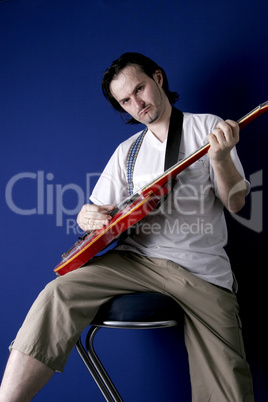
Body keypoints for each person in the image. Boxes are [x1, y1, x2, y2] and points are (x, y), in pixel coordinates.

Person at [0, 52, 254, 401]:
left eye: (140, 88)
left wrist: (221, 158)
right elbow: (92, 212)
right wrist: (87, 216)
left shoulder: (207, 127)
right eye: (126, 100)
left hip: (200, 270)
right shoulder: (128, 152)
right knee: (57, 292)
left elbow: (237, 202)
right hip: (135, 263)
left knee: (228, 389)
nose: (137, 103)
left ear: (158, 79)